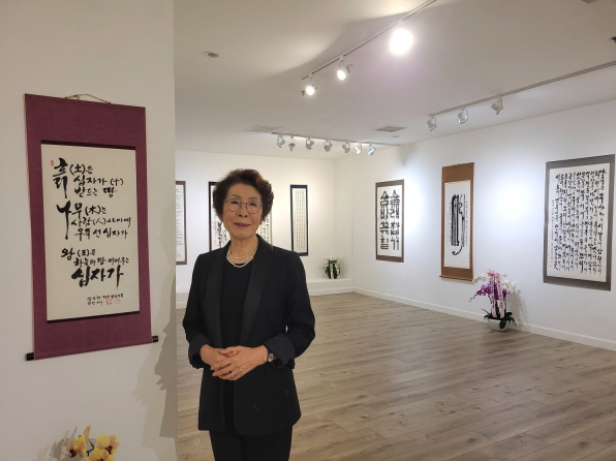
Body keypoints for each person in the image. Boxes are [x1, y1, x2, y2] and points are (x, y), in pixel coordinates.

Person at [183, 169, 315, 461]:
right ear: (221, 211)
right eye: (234, 202)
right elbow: (192, 324)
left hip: (268, 397)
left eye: (253, 204)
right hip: (220, 397)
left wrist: (260, 354)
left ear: (262, 213)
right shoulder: (206, 265)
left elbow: (303, 329)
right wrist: (207, 353)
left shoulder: (286, 263)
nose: (243, 212)